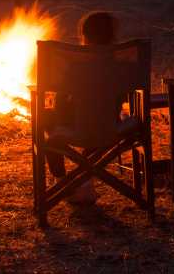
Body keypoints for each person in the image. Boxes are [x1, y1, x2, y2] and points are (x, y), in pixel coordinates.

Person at [45, 11, 119, 205]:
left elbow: (61, 101)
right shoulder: (121, 62)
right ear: (112, 35)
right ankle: (85, 182)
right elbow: (125, 95)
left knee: (45, 119)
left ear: (84, 36)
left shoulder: (75, 65)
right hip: (111, 125)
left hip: (77, 124)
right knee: (96, 122)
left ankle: (61, 180)